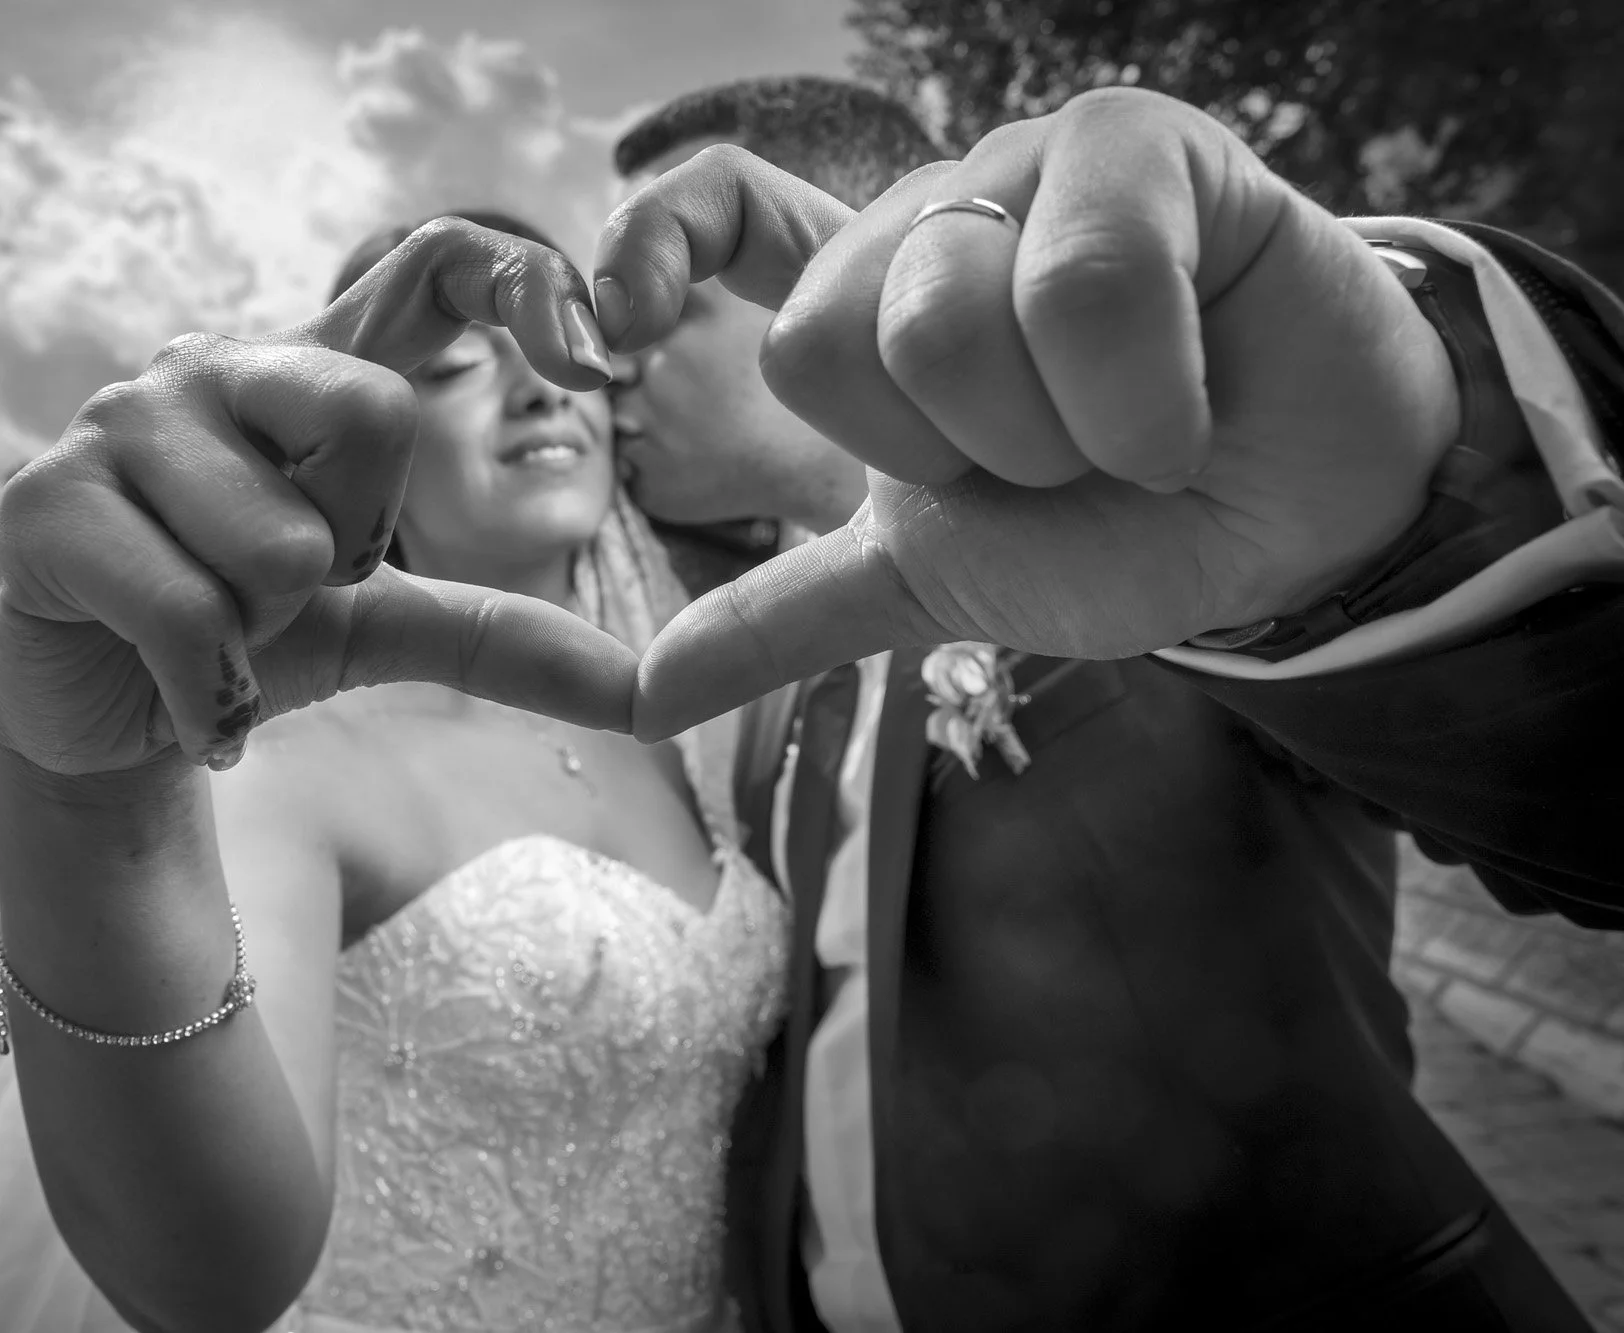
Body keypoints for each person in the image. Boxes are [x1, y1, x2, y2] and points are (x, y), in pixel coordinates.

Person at [596, 80, 1622, 1331]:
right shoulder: (770, 695)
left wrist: (1409, 512)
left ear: (868, 252)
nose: (610, 370)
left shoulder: (1178, 539)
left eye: (664, 300)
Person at [0, 211, 784, 1333]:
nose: (535, 391)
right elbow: (199, 1273)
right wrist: (83, 804)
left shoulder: (703, 735)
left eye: (560, 349)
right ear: (349, 457)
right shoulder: (281, 765)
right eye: (463, 364)